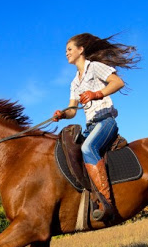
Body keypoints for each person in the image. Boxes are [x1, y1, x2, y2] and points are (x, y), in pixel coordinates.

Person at [53, 33, 140, 222]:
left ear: (81, 50)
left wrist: (97, 94)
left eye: (69, 49)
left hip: (105, 121)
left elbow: (118, 82)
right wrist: (62, 114)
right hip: (90, 126)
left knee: (87, 148)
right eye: (65, 51)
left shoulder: (95, 67)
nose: (66, 53)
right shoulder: (74, 82)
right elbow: (73, 110)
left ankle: (106, 202)